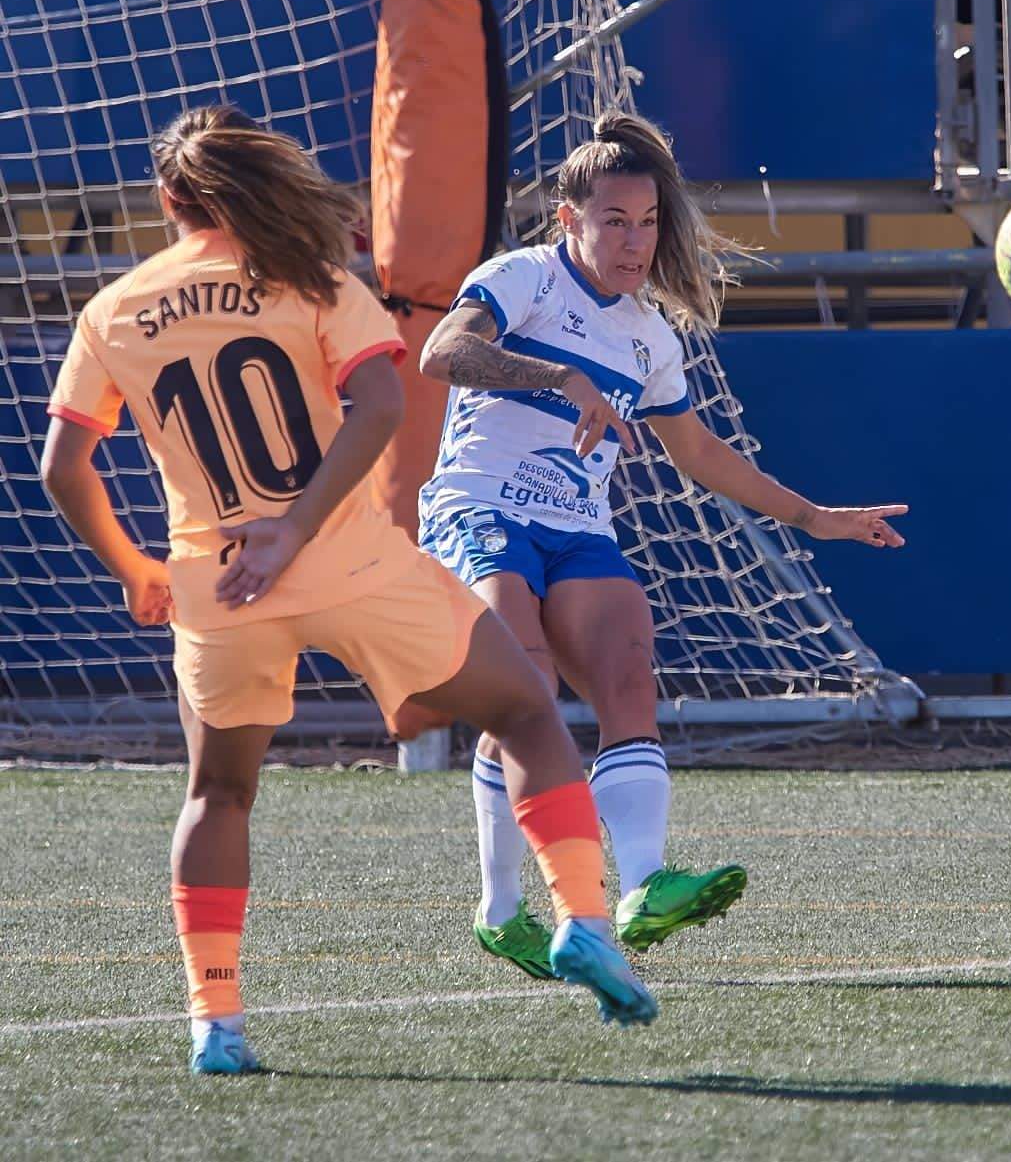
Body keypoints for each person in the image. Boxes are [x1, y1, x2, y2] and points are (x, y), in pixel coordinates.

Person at [40, 105, 658, 1075]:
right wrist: (295, 525)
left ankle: (218, 1023)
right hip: (351, 565)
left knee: (218, 793)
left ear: (170, 202)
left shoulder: (113, 308)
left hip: (221, 586)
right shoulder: (311, 279)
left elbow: (63, 467)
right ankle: (581, 917)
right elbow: (379, 403)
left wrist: (136, 569)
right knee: (527, 711)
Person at [417, 110, 908, 973]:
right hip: (480, 511)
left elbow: (700, 452)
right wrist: (559, 376)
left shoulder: (648, 336)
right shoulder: (523, 277)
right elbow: (440, 352)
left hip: (575, 529)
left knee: (628, 676)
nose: (634, 240)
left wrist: (816, 516)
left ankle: (642, 885)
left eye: (647, 222)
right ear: (569, 219)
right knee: (524, 687)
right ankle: (501, 908)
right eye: (614, 220)